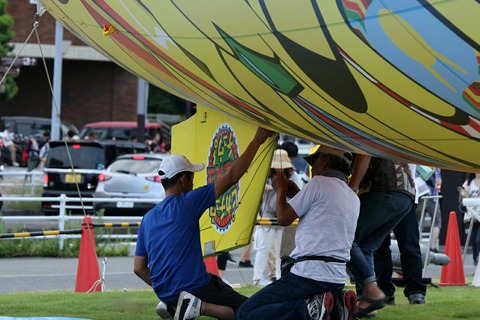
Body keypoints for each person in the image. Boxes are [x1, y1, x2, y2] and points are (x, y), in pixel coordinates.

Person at [133, 127, 273, 320]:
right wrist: (258, 140)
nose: (193, 184)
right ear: (183, 180)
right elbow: (232, 177)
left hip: (166, 292)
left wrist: (167, 288)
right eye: (192, 178)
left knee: (217, 286)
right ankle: (199, 307)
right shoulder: (187, 202)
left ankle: (177, 304)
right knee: (250, 310)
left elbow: (139, 268)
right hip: (194, 287)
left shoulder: (148, 218)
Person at [237, 145, 360, 320]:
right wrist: (299, 194)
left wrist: (280, 190)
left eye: (314, 161)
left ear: (325, 161)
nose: (312, 167)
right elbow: (320, 214)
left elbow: (284, 219)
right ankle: (335, 308)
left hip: (308, 274)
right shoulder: (353, 197)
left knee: (245, 313)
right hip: (337, 277)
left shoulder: (318, 183)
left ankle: (308, 309)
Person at [347, 155, 415, 318]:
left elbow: (364, 154)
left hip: (383, 189)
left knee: (346, 238)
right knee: (366, 247)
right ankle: (369, 303)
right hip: (406, 194)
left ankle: (372, 292)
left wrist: (351, 189)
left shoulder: (360, 131)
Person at [373, 164, 427, 306]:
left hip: (403, 193)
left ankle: (415, 290)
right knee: (380, 247)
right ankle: (385, 291)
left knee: (409, 244)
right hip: (381, 193)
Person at [252, 149, 292, 286]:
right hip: (267, 217)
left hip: (282, 216)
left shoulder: (288, 180)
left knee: (280, 251)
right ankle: (257, 278)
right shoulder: (265, 180)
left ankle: (279, 276)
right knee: (264, 248)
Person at [416, 168, 442, 252]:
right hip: (432, 197)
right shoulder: (434, 165)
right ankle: (432, 247)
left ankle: (417, 245)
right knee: (436, 221)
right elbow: (438, 181)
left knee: (419, 222)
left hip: (420, 195)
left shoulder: (418, 163)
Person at [459, 172, 480, 265]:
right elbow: (462, 197)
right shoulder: (469, 181)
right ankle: (476, 261)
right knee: (473, 240)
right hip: (472, 213)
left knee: (479, 239)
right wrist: (464, 194)